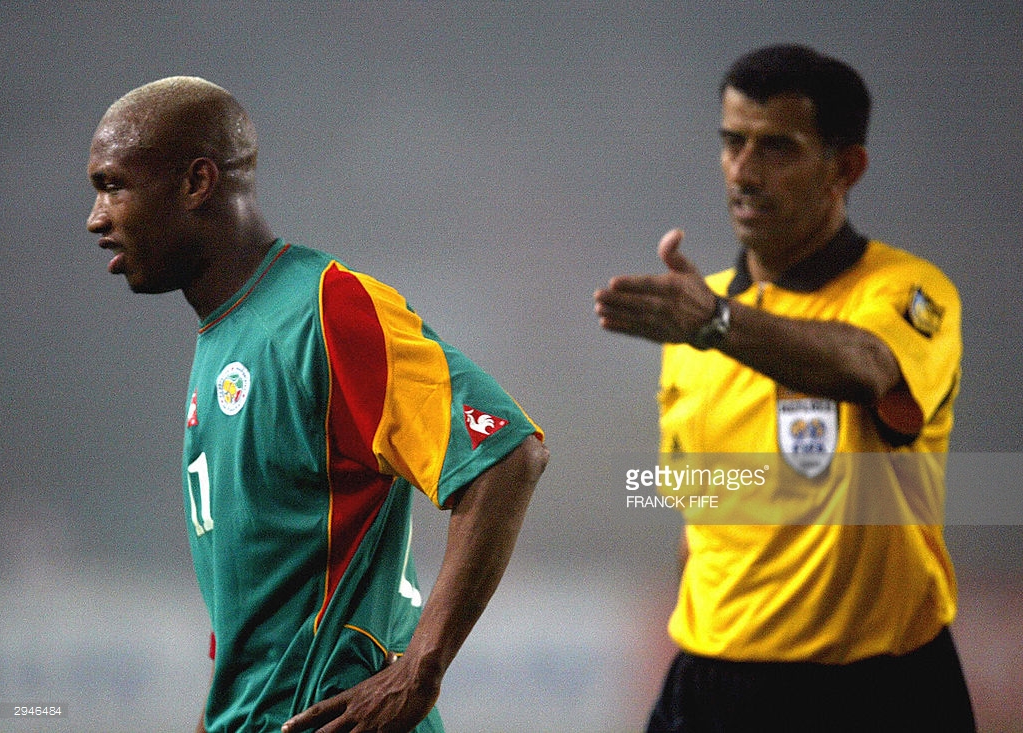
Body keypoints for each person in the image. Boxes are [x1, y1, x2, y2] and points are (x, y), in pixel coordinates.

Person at [86, 76, 548, 733]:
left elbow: (507, 454)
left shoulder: (324, 311)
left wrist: (418, 672)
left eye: (113, 185)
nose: (96, 218)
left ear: (197, 183)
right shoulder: (224, 337)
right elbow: (252, 628)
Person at [595, 45, 974, 731]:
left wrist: (713, 321)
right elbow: (704, 510)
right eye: (733, 143)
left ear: (846, 166)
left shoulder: (908, 293)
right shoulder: (699, 315)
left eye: (778, 149)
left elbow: (866, 367)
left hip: (874, 690)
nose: (744, 171)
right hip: (711, 687)